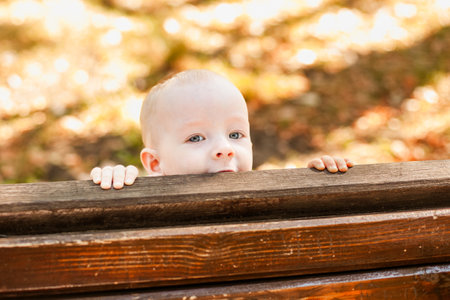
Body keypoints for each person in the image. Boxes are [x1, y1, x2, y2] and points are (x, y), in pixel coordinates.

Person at [91, 69, 353, 189]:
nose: (225, 149)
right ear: (155, 163)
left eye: (235, 134)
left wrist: (319, 180)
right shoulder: (144, 208)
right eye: (196, 137)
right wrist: (114, 183)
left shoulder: (267, 197)